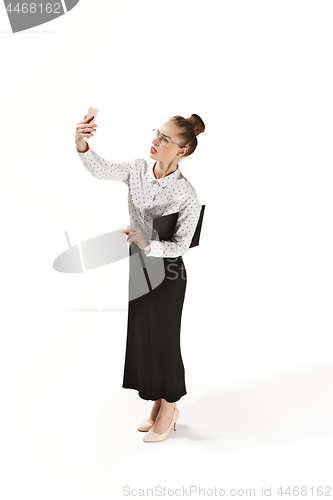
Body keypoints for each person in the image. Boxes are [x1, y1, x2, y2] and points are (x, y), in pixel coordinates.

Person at [75, 113, 205, 442]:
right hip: (141, 267)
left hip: (169, 271)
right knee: (144, 337)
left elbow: (182, 245)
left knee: (164, 340)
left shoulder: (186, 194)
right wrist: (82, 143)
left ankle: (170, 405)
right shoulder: (136, 169)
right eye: (156, 133)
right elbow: (101, 169)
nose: (156, 141)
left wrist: (148, 243)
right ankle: (158, 403)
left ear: (183, 151)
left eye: (165, 139)